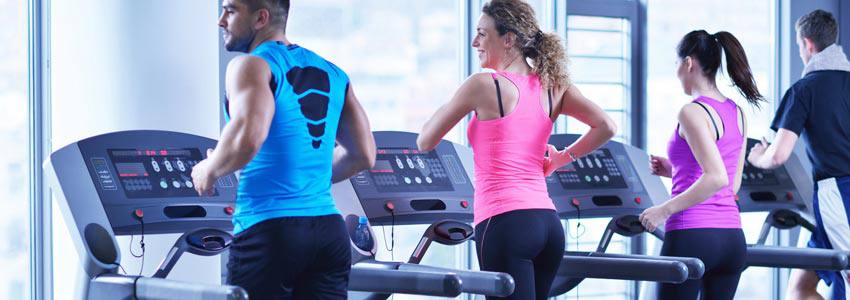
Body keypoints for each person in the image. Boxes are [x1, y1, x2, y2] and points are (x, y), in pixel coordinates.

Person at [417, 1, 616, 298]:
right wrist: (562, 158)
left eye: (482, 34)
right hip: (548, 225)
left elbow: (425, 140)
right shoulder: (553, 86)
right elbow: (606, 126)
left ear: (508, 39)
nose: (475, 43)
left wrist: (450, 100)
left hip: (505, 224)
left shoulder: (483, 84)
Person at [191, 0, 376, 298]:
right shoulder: (334, 72)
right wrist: (303, 179)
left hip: (269, 231)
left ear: (260, 18)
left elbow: (248, 137)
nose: (221, 20)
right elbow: (363, 154)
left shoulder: (250, 65)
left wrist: (207, 170)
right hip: (329, 231)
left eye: (231, 10)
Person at [639, 30, 766, 299]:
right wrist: (673, 171)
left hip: (692, 235)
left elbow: (717, 177)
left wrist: (662, 211)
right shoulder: (737, 111)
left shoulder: (692, 111)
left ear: (688, 63)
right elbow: (731, 182)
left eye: (676, 65)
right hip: (731, 239)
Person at [748, 9, 850, 300]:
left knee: (846, 280)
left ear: (808, 44)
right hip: (830, 205)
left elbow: (777, 155)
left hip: (838, 197)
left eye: (798, 47)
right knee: (799, 288)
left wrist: (757, 159)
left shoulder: (804, 89)